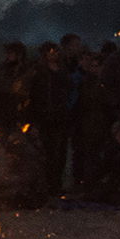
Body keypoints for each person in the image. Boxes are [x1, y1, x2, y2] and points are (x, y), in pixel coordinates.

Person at [29, 41, 78, 196]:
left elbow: (69, 90)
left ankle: (56, 185)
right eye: (50, 51)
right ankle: (47, 186)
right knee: (47, 152)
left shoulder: (63, 70)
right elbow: (33, 96)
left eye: (55, 51)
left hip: (61, 116)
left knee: (61, 152)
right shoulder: (38, 72)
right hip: (44, 117)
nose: (54, 54)